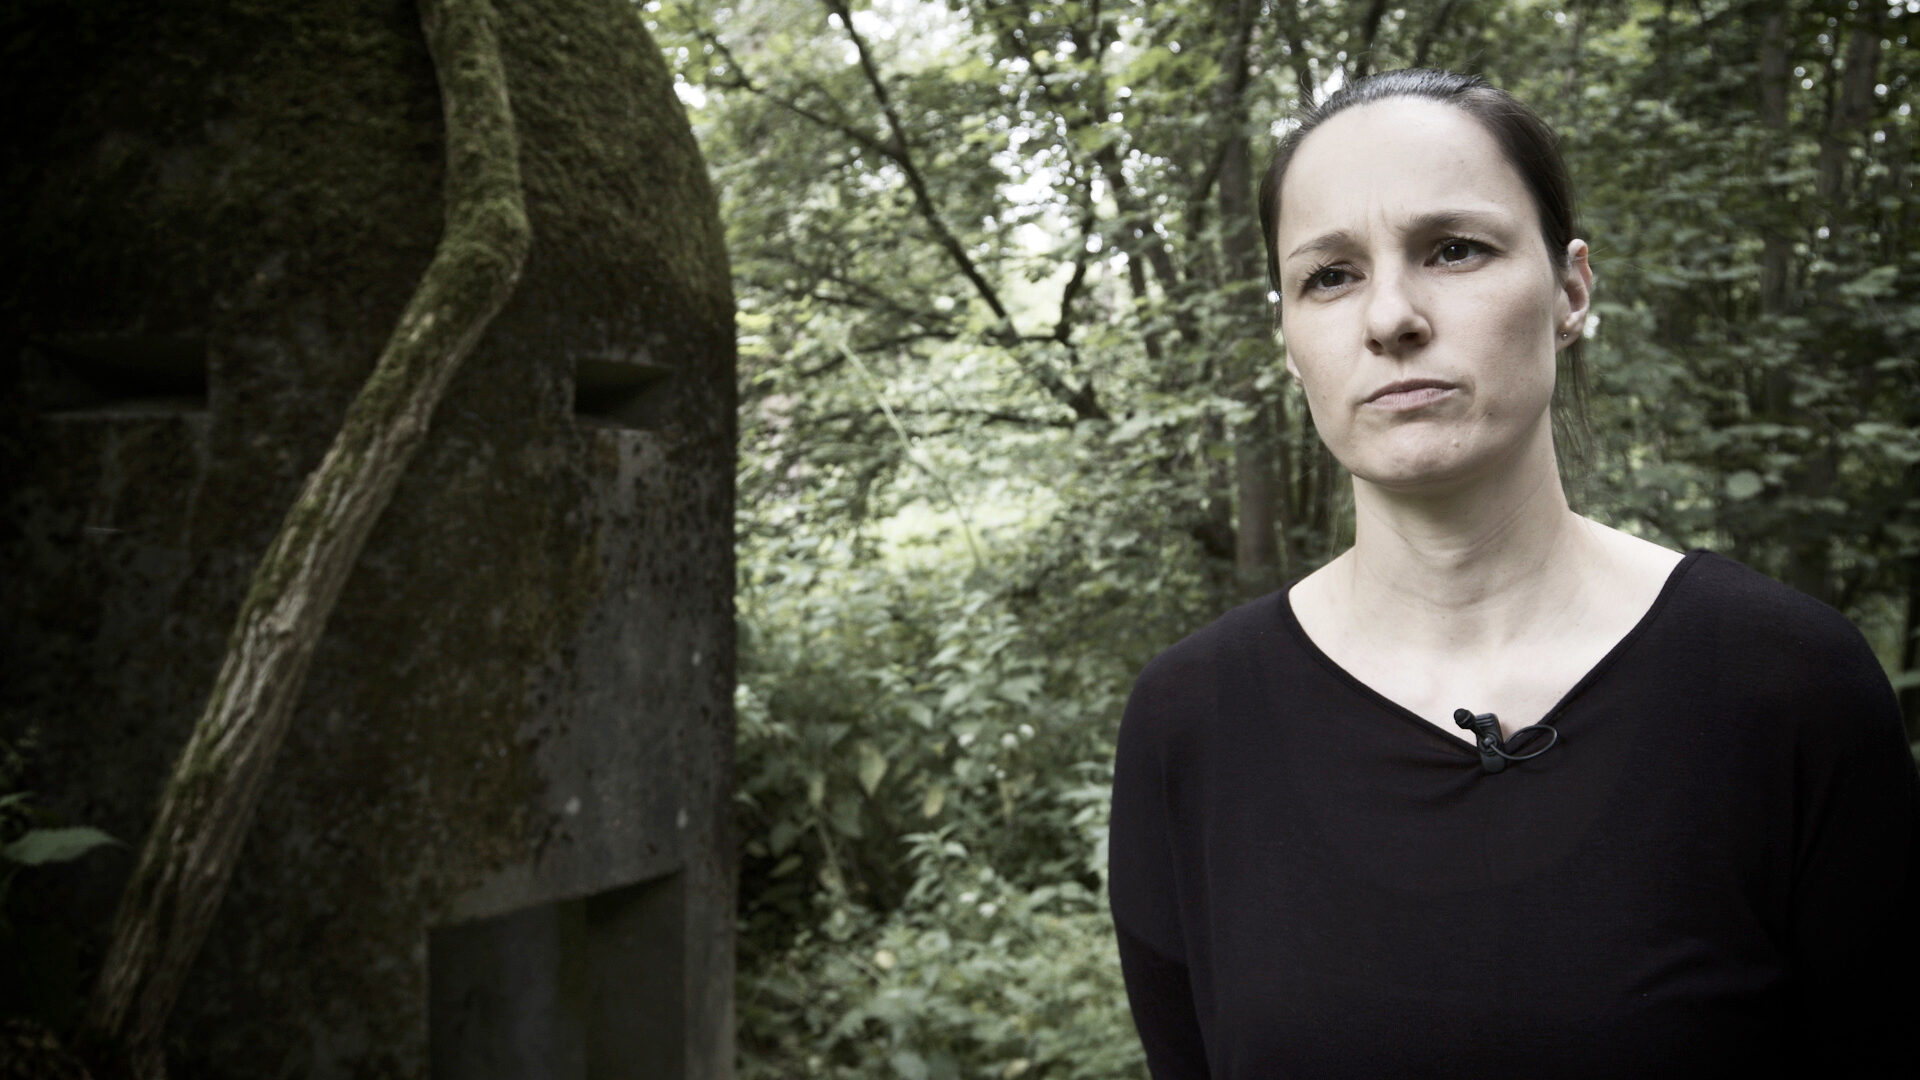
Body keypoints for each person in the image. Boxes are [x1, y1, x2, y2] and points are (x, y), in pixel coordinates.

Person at [1108, 68, 1917, 1079]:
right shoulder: (1191, 723)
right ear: (1288, 339)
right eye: (1331, 275)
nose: (1390, 318)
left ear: (1571, 290)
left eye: (1454, 249)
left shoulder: (1788, 683)